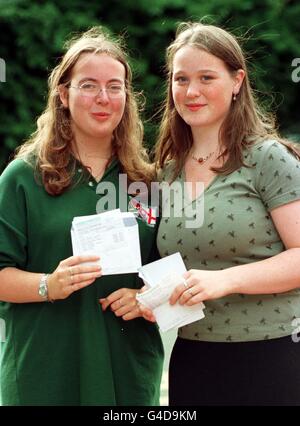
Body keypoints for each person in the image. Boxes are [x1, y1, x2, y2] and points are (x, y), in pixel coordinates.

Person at [0, 27, 163, 406]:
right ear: (63, 94)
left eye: (115, 86)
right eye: (88, 85)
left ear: (128, 95)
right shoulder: (23, 178)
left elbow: (172, 267)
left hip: (128, 376)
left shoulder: (145, 181)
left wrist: (150, 297)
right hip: (44, 377)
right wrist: (48, 285)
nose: (103, 98)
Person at [153, 22, 300, 406]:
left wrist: (225, 281)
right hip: (193, 359)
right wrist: (145, 298)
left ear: (237, 81)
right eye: (181, 79)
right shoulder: (167, 171)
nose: (191, 91)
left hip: (273, 357)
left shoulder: (269, 158)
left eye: (206, 77)